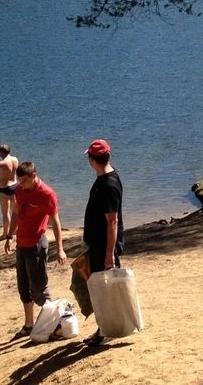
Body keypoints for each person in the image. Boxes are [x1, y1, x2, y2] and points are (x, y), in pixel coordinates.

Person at [4, 160, 66, 337]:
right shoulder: (20, 190)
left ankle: (56, 324)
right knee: (23, 288)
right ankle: (29, 325)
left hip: (36, 244)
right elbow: (15, 213)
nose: (20, 185)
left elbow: (55, 222)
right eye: (19, 181)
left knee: (39, 289)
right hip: (21, 244)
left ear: (34, 176)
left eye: (23, 181)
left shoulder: (47, 194)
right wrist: (9, 236)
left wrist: (60, 248)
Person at [82, 138, 125, 347]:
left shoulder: (109, 184)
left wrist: (110, 254)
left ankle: (105, 330)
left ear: (92, 160)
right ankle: (103, 328)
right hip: (97, 243)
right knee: (99, 289)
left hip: (105, 246)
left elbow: (113, 221)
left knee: (104, 290)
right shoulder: (104, 177)